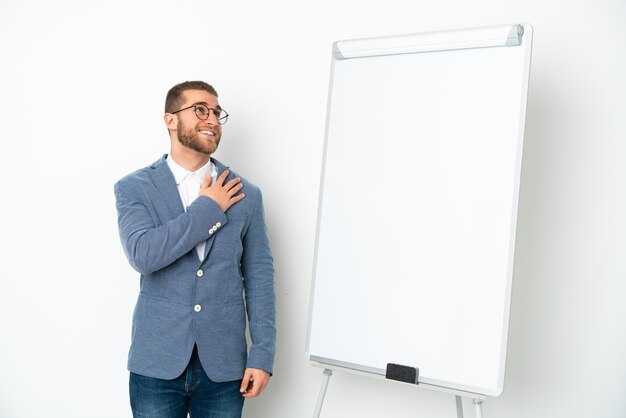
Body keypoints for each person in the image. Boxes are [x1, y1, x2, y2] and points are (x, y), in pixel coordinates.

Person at [114, 80, 276, 417]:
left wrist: (262, 356)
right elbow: (143, 255)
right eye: (200, 109)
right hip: (156, 361)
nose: (213, 120)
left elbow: (259, 278)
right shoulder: (134, 188)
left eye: (217, 113)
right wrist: (208, 208)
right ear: (170, 120)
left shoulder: (246, 193)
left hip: (224, 367)